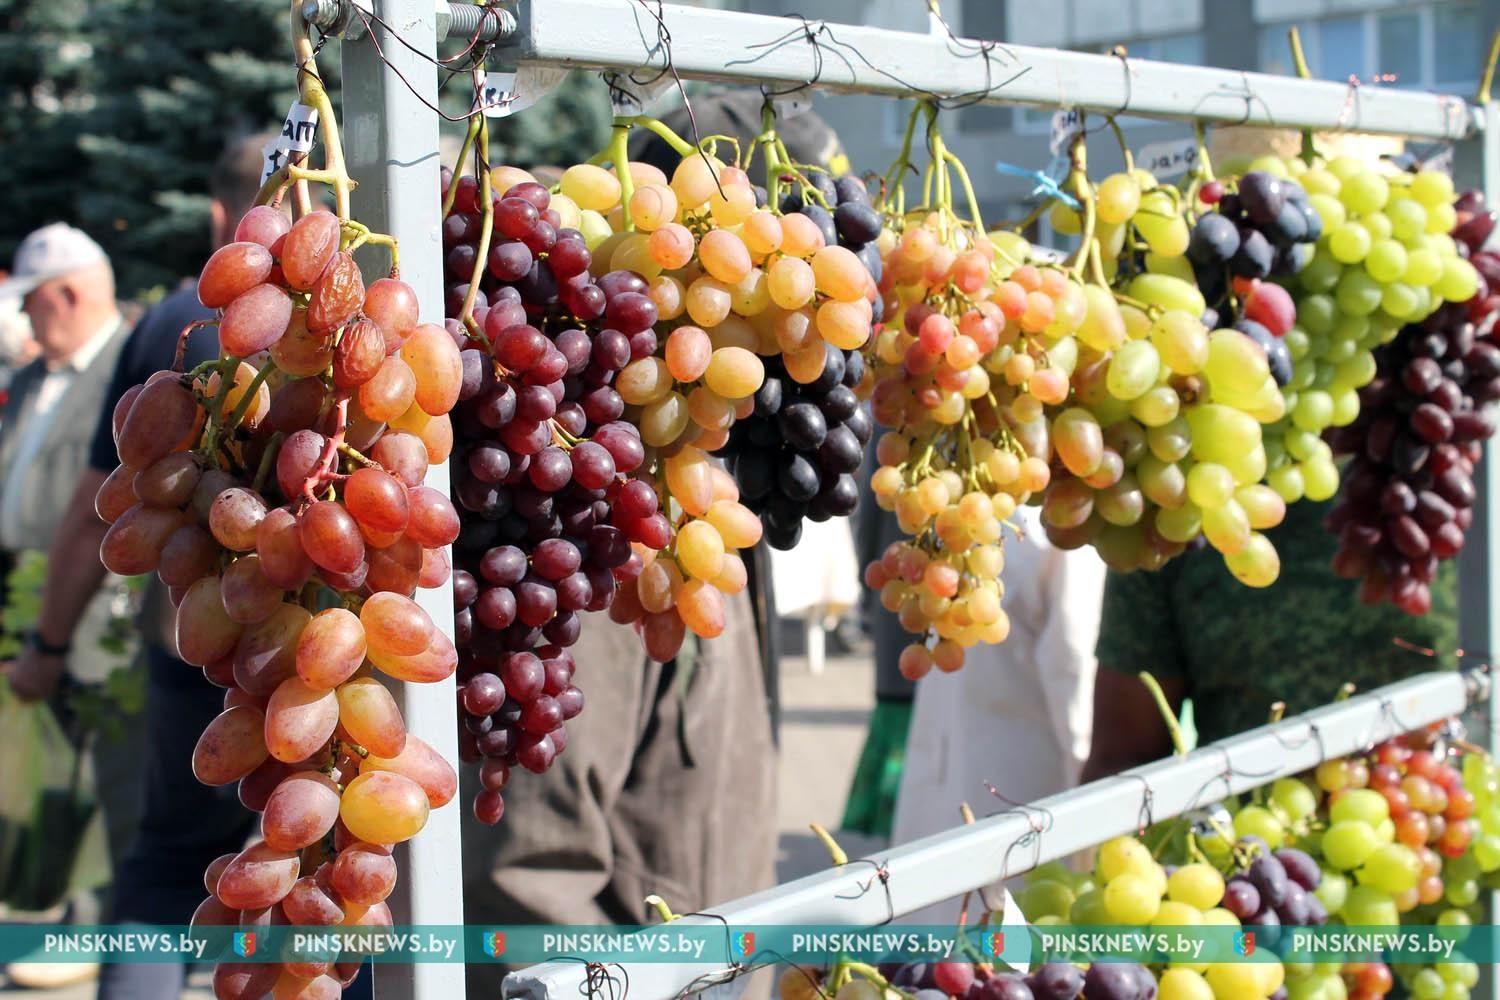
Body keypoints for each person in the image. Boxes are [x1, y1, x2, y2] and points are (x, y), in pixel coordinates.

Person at [1, 135, 309, 1000]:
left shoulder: (174, 322)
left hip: (195, 651)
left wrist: (47, 642)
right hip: (326, 653)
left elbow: (95, 517)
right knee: (329, 866)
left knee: (170, 864)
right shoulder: (343, 331)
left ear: (226, 216)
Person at [1081, 496, 1459, 781]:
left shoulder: (1462, 478)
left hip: (1444, 850)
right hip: (1250, 869)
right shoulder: (1175, 514)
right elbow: (1123, 758)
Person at [890, 504, 1106, 922]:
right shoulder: (1062, 529)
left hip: (965, 797)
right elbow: (1077, 683)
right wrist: (1098, 829)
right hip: (1025, 810)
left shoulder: (963, 509)